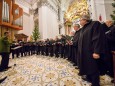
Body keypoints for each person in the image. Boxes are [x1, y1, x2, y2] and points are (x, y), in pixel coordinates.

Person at [78, 15, 103, 86]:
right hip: (85, 52)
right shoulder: (83, 28)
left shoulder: (95, 24)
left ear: (85, 20)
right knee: (87, 65)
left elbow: (97, 38)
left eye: (80, 20)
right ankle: (89, 78)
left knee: (93, 67)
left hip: (91, 51)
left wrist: (96, 51)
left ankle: (95, 83)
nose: (79, 22)